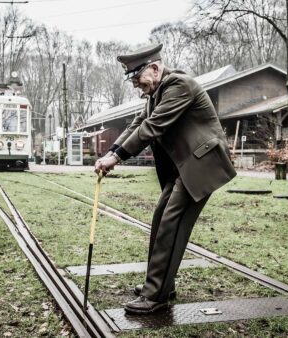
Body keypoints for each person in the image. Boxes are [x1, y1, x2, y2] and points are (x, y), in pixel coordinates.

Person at [94, 43, 236, 315]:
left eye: (137, 78)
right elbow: (135, 125)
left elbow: (152, 126)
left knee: (172, 224)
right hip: (182, 168)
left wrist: (117, 158)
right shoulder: (155, 94)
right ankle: (161, 284)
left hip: (201, 165)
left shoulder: (179, 86)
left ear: (155, 68)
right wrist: (111, 152)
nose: (136, 85)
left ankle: (155, 295)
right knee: (161, 219)